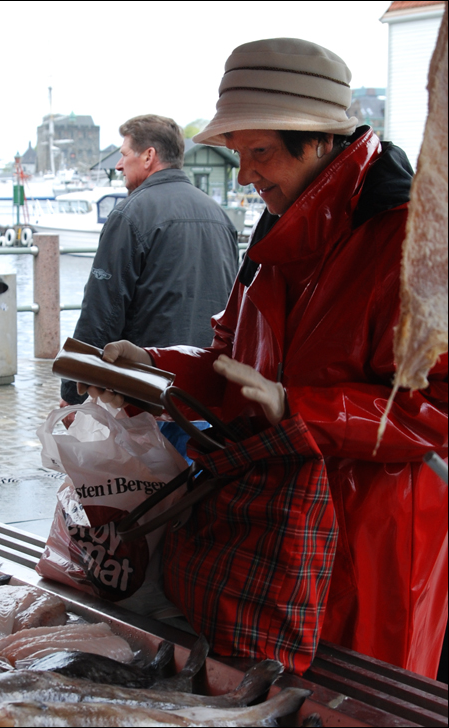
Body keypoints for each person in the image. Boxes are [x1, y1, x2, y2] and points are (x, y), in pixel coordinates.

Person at [77, 38, 448, 678]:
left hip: (368, 532)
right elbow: (228, 353)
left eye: (261, 153)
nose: (246, 175)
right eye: (238, 154)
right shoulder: (276, 223)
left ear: (322, 139)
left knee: (351, 702)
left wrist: (299, 407)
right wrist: (155, 369)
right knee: (255, 687)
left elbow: (434, 405)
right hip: (263, 523)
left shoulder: (412, 237)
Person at [60, 114, 239, 435]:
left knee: (142, 482)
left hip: (145, 391)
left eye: (124, 154)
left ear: (148, 156)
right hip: (206, 391)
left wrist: (74, 393)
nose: (118, 165)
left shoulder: (130, 215)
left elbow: (102, 313)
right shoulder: (219, 216)